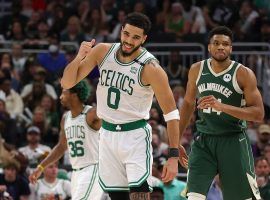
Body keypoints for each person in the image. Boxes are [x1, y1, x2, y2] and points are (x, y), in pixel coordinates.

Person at [61, 12, 188, 200]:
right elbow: (67, 83)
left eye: (136, 37)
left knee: (139, 194)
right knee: (117, 196)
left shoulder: (151, 68)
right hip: (107, 134)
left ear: (144, 39)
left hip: (135, 135)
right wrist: (79, 56)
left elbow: (171, 113)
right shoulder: (103, 51)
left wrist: (173, 155)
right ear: (121, 31)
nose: (129, 40)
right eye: (126, 34)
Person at [178, 26, 264, 200]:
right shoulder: (196, 69)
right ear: (209, 47)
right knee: (193, 196)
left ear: (231, 48)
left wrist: (222, 106)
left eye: (225, 44)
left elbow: (258, 113)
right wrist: (176, 139)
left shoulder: (243, 74)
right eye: (216, 43)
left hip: (232, 140)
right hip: (204, 140)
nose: (220, 47)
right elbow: (188, 103)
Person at [29, 80, 105, 200]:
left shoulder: (92, 114)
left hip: (93, 168)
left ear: (74, 95)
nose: (60, 97)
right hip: (76, 172)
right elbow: (61, 147)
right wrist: (41, 167)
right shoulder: (65, 118)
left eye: (64, 93)